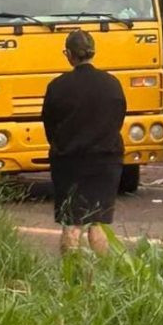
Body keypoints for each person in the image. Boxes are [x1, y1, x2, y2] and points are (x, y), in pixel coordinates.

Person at [41, 30, 127, 256]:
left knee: (72, 223)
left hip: (69, 161)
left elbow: (49, 125)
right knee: (98, 222)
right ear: (92, 52)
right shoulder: (112, 84)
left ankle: (72, 275)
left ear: (69, 54)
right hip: (107, 161)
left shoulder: (57, 86)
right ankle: (103, 275)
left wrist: (60, 146)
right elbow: (118, 118)